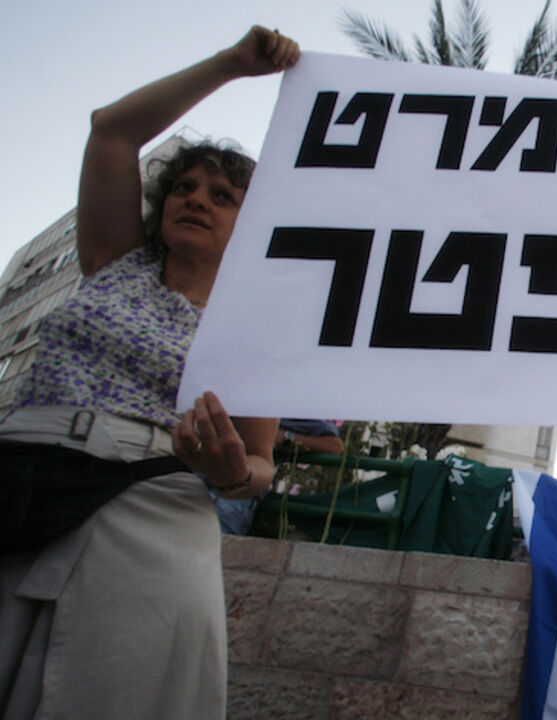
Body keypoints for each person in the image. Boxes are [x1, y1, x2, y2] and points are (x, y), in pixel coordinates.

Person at [0, 27, 299, 719]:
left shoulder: (253, 328)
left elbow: (259, 465)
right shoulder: (114, 261)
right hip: (19, 479)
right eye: (186, 187)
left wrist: (226, 473)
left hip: (149, 508)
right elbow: (111, 131)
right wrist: (232, 65)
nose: (197, 199)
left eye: (223, 196)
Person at [209, 418, 344, 535]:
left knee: (212, 532)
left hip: (237, 489)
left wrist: (286, 436)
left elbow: (335, 446)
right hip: (199, 473)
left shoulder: (290, 408)